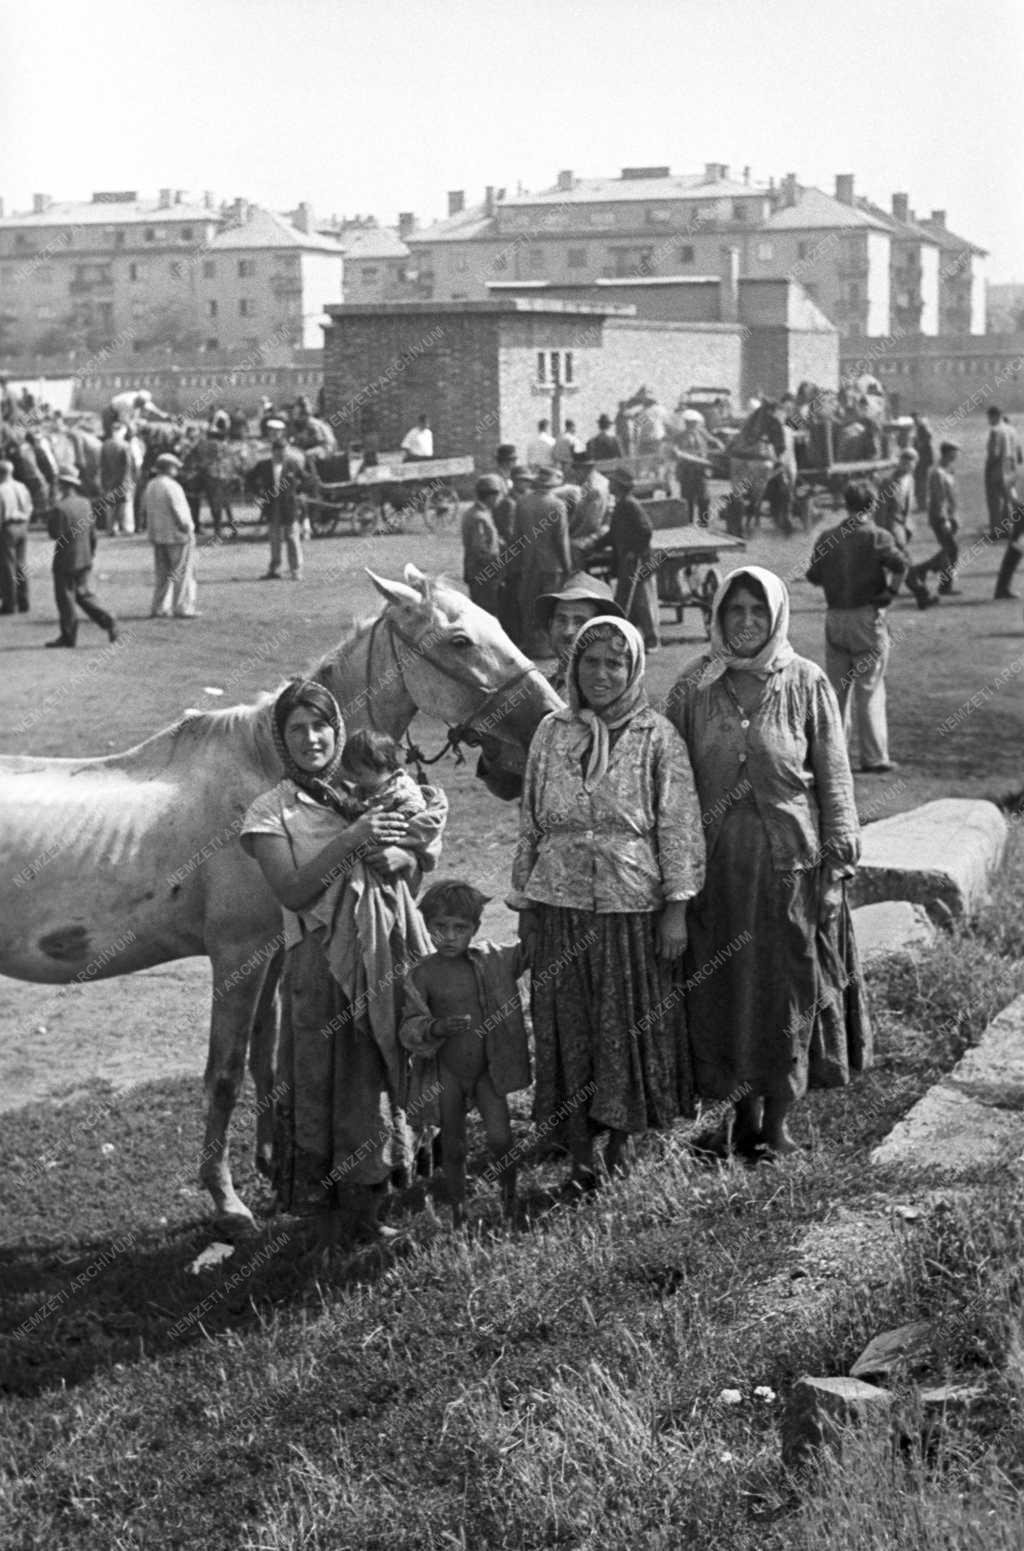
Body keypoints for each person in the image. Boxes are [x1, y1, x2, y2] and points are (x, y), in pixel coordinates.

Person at [666, 567, 871, 1158]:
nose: (748, 622)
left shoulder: (806, 682)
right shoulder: (693, 688)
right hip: (716, 876)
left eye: (759, 610)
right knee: (725, 991)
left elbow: (834, 782)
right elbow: (671, 787)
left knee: (786, 991)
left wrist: (837, 870)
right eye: (736, 611)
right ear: (720, 617)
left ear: (777, 615)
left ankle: (777, 1122)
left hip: (790, 873)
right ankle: (737, 1114)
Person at [240, 680, 448, 1244]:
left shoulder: (372, 788)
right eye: (296, 730)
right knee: (318, 1079)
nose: (311, 739)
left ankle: (368, 1205)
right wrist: (353, 837)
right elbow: (294, 891)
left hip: (380, 954)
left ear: (337, 730)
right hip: (317, 963)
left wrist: (405, 853)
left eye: (320, 726)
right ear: (281, 741)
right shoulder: (272, 810)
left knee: (370, 1076)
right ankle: (324, 1210)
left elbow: (413, 860)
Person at [511, 616, 704, 1188]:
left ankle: (618, 1149)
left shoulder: (657, 736)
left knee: (622, 1026)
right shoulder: (551, 732)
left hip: (630, 906)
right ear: (573, 667)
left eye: (614, 663)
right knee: (568, 1026)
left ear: (633, 669)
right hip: (560, 902)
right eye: (590, 662)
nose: (601, 674)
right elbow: (530, 820)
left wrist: (676, 907)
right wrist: (525, 902)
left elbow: (679, 825)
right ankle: (577, 1154)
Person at [400, 880, 530, 1228]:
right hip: (448, 1073)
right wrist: (436, 1028)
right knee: (454, 1146)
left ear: (476, 928)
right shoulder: (422, 974)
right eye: (439, 928)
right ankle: (459, 1212)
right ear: (426, 926)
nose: (449, 937)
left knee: (502, 1139)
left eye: (460, 928)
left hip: (489, 1069)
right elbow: (409, 1027)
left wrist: (527, 908)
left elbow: (529, 951)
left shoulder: (493, 960)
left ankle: (510, 1201)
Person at [806, 479, 907, 774]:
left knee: (837, 691)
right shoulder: (878, 536)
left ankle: (834, 758)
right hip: (866, 615)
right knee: (870, 687)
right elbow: (901, 565)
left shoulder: (827, 537)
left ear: (845, 503)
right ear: (872, 505)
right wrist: (889, 593)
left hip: (835, 616)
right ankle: (874, 757)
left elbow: (814, 575)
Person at [46, 465, 119, 649]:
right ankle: (108, 619)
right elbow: (92, 533)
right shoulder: (85, 503)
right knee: (83, 594)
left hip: (65, 560)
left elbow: (55, 533)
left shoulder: (60, 508)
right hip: (84, 557)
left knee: (65, 598)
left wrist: (51, 510)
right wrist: (91, 552)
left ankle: (68, 636)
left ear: (61, 485)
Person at [590, 467, 660, 652]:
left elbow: (646, 530)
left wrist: (634, 551)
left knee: (642, 601)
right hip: (626, 561)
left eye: (612, 482)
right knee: (627, 599)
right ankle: (629, 637)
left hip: (637, 561)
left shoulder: (630, 504)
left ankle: (652, 641)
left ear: (619, 486)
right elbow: (613, 534)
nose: (609, 484)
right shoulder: (622, 504)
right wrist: (594, 545)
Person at [531, 572, 625, 694]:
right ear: (550, 625)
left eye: (580, 622)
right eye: (561, 620)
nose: (567, 631)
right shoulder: (538, 689)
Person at [512, 465, 571, 656]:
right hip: (551, 565)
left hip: (529, 563)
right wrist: (568, 567)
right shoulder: (557, 505)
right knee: (550, 606)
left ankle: (532, 644)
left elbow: (517, 537)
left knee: (529, 604)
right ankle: (549, 646)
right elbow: (561, 541)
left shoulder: (522, 503)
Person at [251, 419, 310, 580]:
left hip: (289, 505)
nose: (283, 455)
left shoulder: (292, 464)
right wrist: (257, 495)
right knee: (275, 539)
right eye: (280, 452)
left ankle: (296, 570)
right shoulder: (263, 465)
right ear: (274, 451)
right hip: (272, 506)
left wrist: (301, 493)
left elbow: (305, 479)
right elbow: (250, 478)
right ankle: (275, 569)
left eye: (285, 451)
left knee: (292, 538)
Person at [142, 452, 198, 619]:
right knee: (182, 572)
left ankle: (159, 607)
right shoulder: (172, 486)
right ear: (169, 468)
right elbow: (179, 511)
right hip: (176, 535)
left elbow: (146, 511)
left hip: (158, 535)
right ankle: (182, 606)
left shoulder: (151, 485)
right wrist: (188, 529)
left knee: (162, 574)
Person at [908, 441, 961, 602]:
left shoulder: (948, 470)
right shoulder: (938, 473)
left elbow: (952, 496)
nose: (956, 457)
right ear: (946, 454)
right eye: (954, 453)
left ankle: (921, 570)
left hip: (950, 518)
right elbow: (939, 499)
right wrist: (944, 519)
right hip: (940, 517)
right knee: (952, 550)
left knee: (948, 550)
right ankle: (944, 586)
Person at [461, 474, 504, 615]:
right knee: (486, 614)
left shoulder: (475, 512)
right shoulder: (479, 517)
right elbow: (480, 550)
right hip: (484, 574)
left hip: (478, 573)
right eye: (498, 496)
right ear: (491, 496)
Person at [675, 413, 723, 527]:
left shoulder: (702, 433)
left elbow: (715, 441)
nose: (692, 425)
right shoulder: (679, 436)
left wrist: (719, 445)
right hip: (687, 471)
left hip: (701, 470)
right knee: (687, 498)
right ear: (686, 424)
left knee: (704, 498)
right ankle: (688, 523)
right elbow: (676, 451)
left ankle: (704, 522)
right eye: (689, 423)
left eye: (694, 423)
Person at [0, 458, 32, 615]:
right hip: (23, 525)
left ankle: (9, 603)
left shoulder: (1, 489)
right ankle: (24, 600)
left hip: (8, 527)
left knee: (7, 567)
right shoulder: (21, 487)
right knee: (21, 564)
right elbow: (30, 507)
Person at [567, 454, 610, 568]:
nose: (575, 474)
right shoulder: (598, 481)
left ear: (585, 469)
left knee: (571, 546)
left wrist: (569, 535)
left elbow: (591, 523)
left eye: (577, 470)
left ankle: (578, 579)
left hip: (599, 532)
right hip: (602, 528)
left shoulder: (594, 488)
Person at [984, 405, 1019, 541]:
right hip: (1010, 466)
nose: (988, 420)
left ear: (994, 416)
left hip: (998, 468)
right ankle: (1009, 528)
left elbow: (995, 453)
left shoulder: (995, 431)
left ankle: (996, 531)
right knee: (1008, 499)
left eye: (989, 417)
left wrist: (988, 467)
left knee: (995, 500)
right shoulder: (1011, 429)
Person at [910, 411, 934, 513]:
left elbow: (928, 438)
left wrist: (920, 444)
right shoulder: (919, 427)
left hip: (922, 459)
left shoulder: (922, 427)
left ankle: (923, 504)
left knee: (921, 481)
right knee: (920, 481)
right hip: (922, 459)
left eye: (915, 418)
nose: (914, 420)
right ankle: (922, 503)